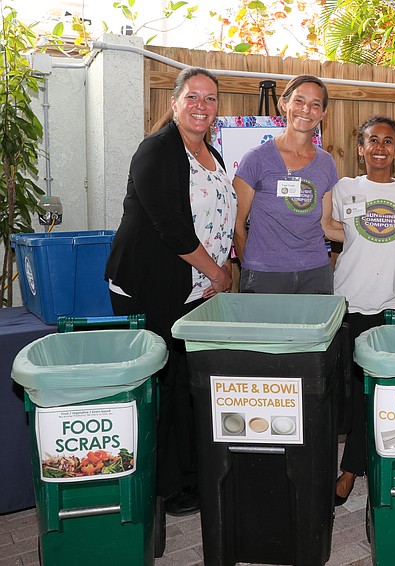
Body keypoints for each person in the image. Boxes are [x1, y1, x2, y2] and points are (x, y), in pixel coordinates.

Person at [105, 67, 235, 516]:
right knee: (159, 385)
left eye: (210, 99)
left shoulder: (211, 152)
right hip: (150, 285)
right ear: (175, 103)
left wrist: (218, 272)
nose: (202, 105)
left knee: (184, 385)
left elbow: (218, 216)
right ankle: (158, 487)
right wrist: (217, 274)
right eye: (193, 97)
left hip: (193, 288)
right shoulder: (157, 150)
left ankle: (185, 480)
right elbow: (172, 229)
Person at [324, 116, 395, 505]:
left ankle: (357, 468)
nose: (380, 148)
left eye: (388, 141)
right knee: (350, 393)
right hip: (348, 304)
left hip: (391, 307)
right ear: (360, 148)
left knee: (383, 390)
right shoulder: (344, 188)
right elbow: (328, 228)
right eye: (372, 140)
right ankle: (355, 463)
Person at [233, 74, 339, 293]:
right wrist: (251, 268)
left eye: (315, 104)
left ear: (323, 113)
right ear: (284, 103)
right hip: (264, 276)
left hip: (315, 274)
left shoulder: (326, 163)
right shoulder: (256, 159)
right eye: (299, 101)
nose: (306, 109)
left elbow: (326, 225)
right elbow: (236, 225)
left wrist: (376, 238)